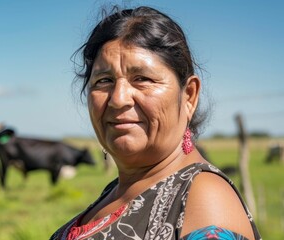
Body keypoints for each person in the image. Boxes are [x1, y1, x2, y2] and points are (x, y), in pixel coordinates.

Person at [50, 6, 261, 240]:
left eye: (142, 79)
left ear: (189, 96)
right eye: (104, 80)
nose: (118, 99)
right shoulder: (116, 191)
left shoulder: (205, 201)